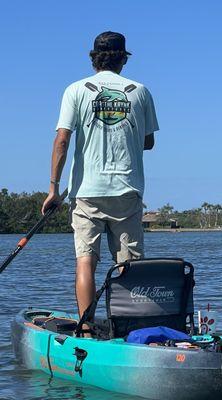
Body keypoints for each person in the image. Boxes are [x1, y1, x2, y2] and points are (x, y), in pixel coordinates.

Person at [42, 31, 159, 331]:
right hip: (128, 191)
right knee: (129, 268)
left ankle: (85, 327)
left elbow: (62, 141)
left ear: (94, 58)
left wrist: (54, 188)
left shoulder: (76, 90)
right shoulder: (141, 91)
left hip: (86, 194)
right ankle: (131, 329)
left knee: (86, 262)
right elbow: (148, 143)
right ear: (123, 59)